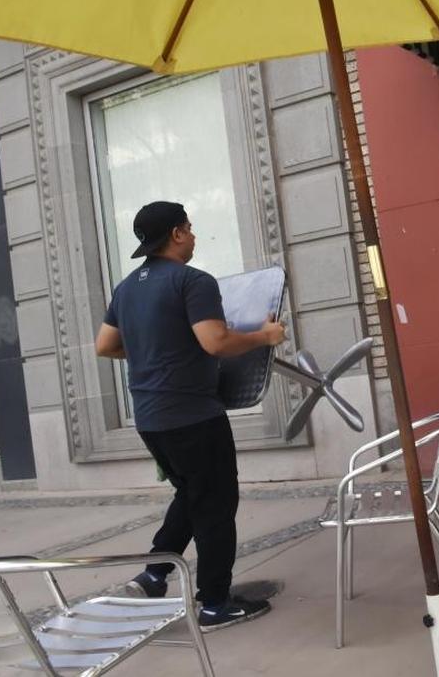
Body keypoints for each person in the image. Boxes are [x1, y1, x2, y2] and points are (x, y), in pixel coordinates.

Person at [95, 201, 287, 631]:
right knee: (216, 506)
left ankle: (153, 574)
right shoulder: (191, 281)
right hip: (193, 416)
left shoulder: (126, 289)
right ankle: (215, 603)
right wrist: (265, 336)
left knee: (192, 493)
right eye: (190, 228)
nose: (195, 235)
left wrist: (154, 351)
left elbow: (105, 345)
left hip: (150, 418)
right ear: (177, 234)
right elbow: (216, 342)